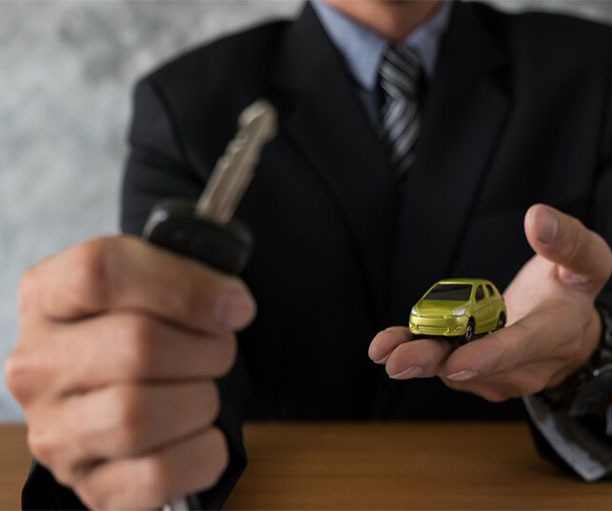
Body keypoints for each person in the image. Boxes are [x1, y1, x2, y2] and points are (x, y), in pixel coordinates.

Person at [6, 0, 612, 508]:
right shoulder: (185, 102)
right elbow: (167, 353)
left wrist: (589, 357)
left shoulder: (595, 71)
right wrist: (127, 417)